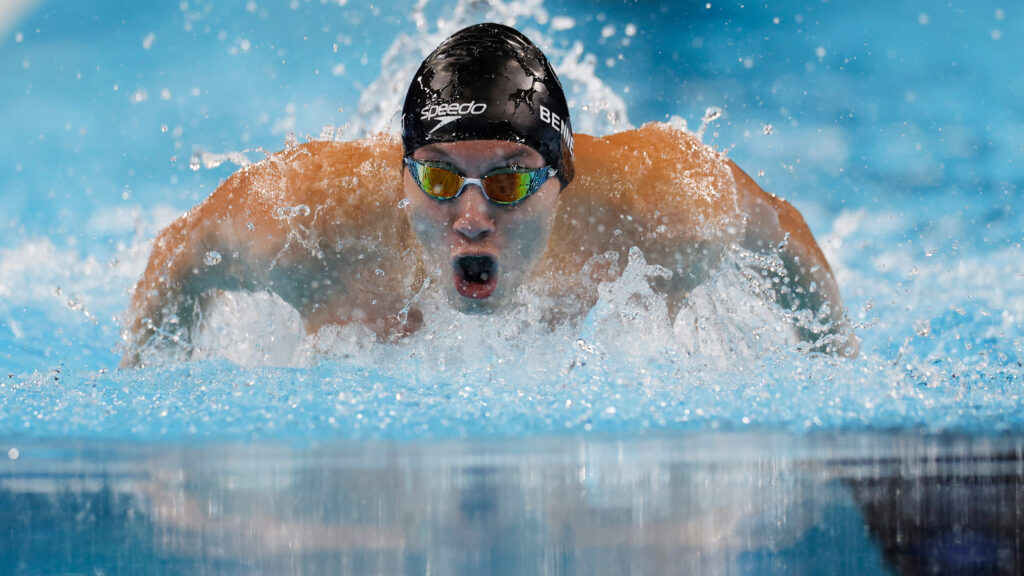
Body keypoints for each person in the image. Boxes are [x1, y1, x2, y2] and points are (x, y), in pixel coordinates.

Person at [121, 23, 857, 367]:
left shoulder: (665, 207)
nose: (471, 219)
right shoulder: (302, 223)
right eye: (440, 178)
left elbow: (781, 231)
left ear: (562, 177)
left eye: (508, 181)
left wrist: (836, 364)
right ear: (403, 175)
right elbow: (178, 255)